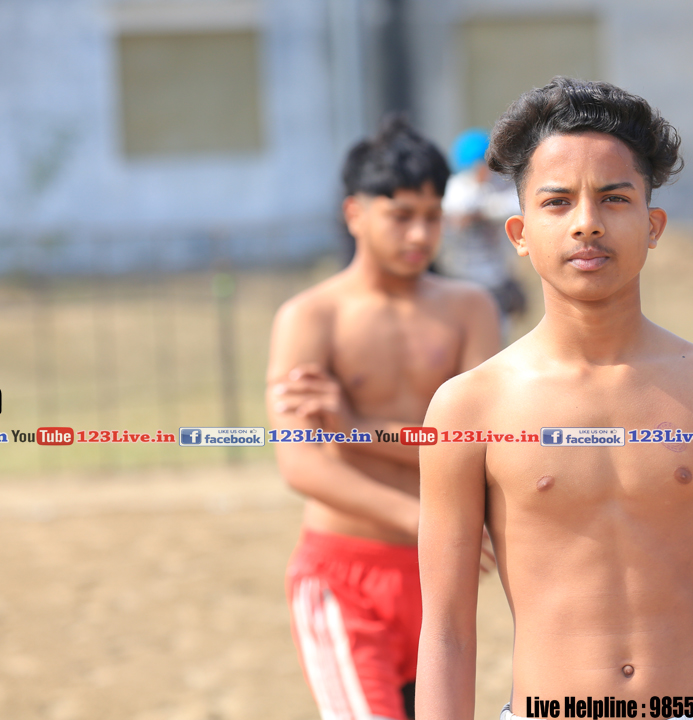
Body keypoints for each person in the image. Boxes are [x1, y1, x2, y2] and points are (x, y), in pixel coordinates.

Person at [415, 78, 693, 719]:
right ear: (519, 231)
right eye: (557, 202)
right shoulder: (469, 408)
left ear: (653, 224)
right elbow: (445, 631)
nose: (587, 222)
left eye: (614, 198)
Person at [266, 116, 500, 720]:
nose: (420, 234)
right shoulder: (309, 318)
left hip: (438, 583)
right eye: (401, 216)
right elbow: (300, 464)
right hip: (342, 575)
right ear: (355, 213)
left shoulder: (469, 309)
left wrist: (355, 430)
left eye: (432, 215)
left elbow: (477, 445)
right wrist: (421, 519)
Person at [437, 128, 528, 338]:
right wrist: (477, 204)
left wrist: (486, 210)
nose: (484, 170)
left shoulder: (497, 186)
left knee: (498, 337)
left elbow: (517, 205)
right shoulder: (456, 189)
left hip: (497, 281)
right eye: (480, 165)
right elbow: (456, 212)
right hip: (462, 280)